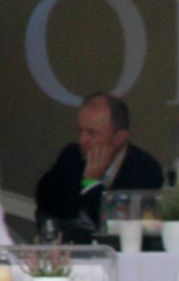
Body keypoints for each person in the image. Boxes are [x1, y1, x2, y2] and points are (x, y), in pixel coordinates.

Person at [35, 93, 164, 243]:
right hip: (72, 253)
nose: (82, 140)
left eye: (92, 133)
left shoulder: (144, 168)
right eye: (80, 131)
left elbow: (118, 227)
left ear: (119, 137)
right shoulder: (73, 156)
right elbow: (46, 202)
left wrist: (91, 183)